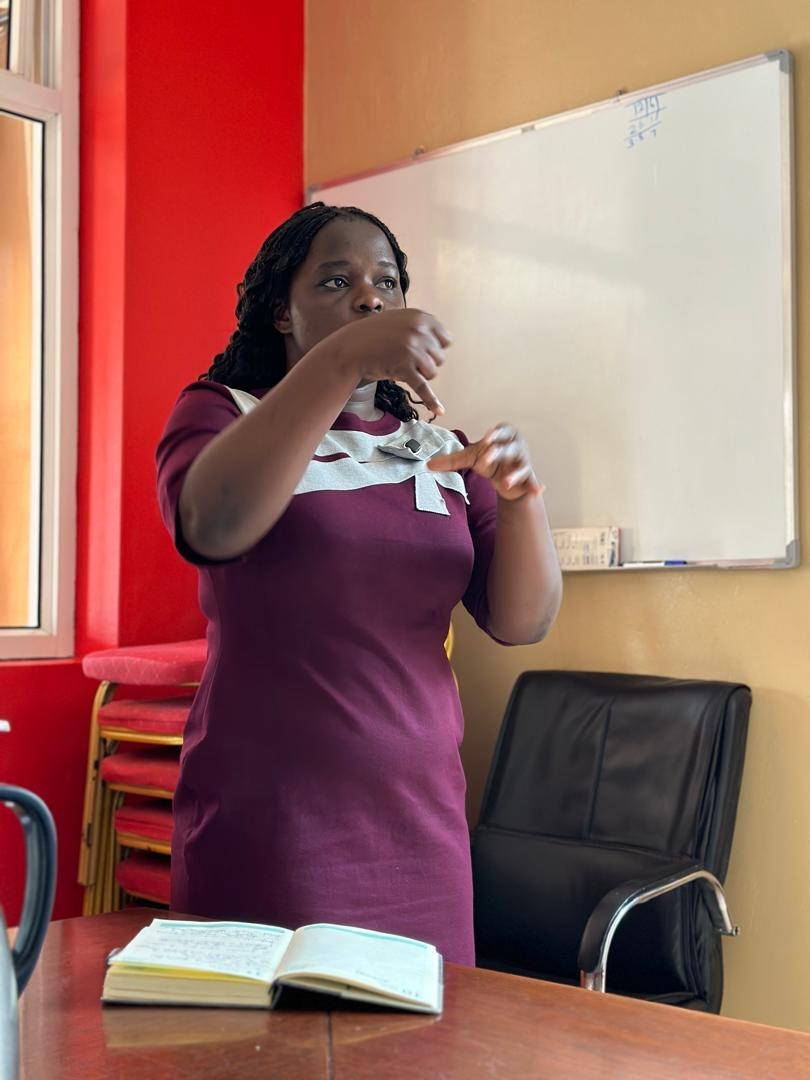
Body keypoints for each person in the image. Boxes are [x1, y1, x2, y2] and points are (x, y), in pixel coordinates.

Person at [155, 202, 562, 966]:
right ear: (282, 311)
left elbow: (521, 621)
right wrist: (340, 363)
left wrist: (522, 500)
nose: (371, 298)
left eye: (387, 283)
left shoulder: (436, 449)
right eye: (337, 282)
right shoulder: (224, 413)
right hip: (275, 830)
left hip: (420, 834)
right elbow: (210, 526)